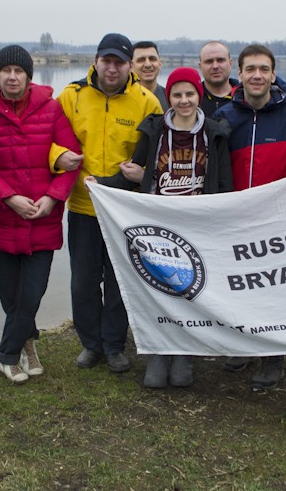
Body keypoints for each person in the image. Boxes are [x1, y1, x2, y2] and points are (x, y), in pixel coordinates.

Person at [88, 66, 233, 388]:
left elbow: (224, 183)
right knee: (158, 289)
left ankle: (184, 352)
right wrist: (101, 183)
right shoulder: (154, 131)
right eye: (178, 94)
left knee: (189, 290)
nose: (184, 100)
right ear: (169, 97)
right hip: (157, 227)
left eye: (190, 94)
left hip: (196, 225)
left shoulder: (215, 132)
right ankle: (158, 352)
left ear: (199, 96)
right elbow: (133, 172)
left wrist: (220, 217)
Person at [213, 44, 286, 391]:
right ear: (240, 74)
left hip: (279, 220)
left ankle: (272, 357)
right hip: (237, 218)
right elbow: (214, 167)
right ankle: (243, 345)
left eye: (264, 69)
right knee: (240, 286)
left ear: (273, 75)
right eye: (250, 69)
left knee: (275, 289)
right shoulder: (225, 117)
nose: (257, 75)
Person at [57, 33, 163, 374]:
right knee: (83, 281)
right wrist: (58, 157)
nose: (112, 68)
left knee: (120, 281)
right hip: (83, 207)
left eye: (119, 61)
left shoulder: (147, 102)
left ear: (129, 65)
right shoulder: (72, 97)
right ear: (96, 61)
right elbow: (47, 138)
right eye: (107, 61)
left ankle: (115, 345)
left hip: (124, 210)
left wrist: (142, 174)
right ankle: (91, 345)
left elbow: (160, 158)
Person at [0, 45, 80, 385]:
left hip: (42, 220)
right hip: (3, 220)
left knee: (32, 294)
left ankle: (6, 356)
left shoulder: (51, 110)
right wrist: (9, 198)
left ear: (28, 76)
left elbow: (71, 160)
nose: (11, 76)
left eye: (18, 71)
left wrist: (52, 199)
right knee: (12, 298)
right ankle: (28, 344)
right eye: (5, 71)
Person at [198, 41, 239, 117]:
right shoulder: (192, 100)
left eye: (220, 60)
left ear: (230, 63)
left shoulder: (245, 98)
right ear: (200, 66)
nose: (215, 66)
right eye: (209, 61)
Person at [133, 41, 168, 111]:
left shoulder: (171, 99)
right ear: (131, 66)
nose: (148, 64)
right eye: (141, 60)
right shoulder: (122, 99)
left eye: (152, 59)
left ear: (160, 64)